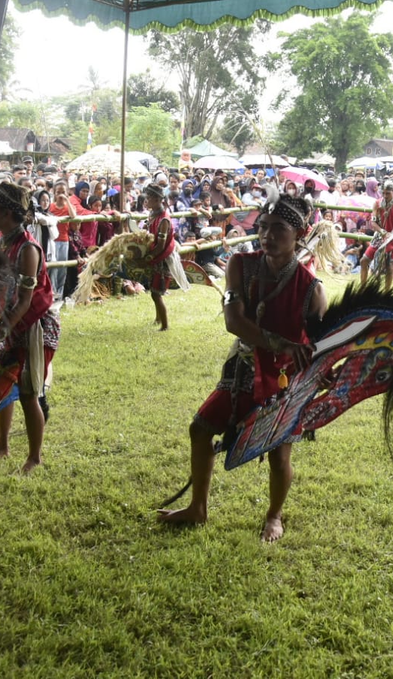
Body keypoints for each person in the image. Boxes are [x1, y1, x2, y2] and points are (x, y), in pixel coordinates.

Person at [158, 194, 326, 542]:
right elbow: (234, 322)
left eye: (279, 229)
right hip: (242, 370)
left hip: (283, 380)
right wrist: (281, 343)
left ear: (298, 234)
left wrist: (317, 365)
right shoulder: (240, 264)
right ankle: (198, 508)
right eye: (263, 227)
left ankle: (274, 516)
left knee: (280, 454)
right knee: (200, 428)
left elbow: (318, 345)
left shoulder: (311, 288)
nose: (267, 236)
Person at [0, 182, 61, 474]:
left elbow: (25, 302)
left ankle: (35, 457)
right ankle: (1, 445)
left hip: (36, 324)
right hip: (9, 321)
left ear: (9, 213)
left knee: (27, 391)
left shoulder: (27, 249)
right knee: (2, 381)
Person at [142, 183, 176, 331]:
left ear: (156, 200)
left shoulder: (163, 219)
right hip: (155, 257)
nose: (146, 201)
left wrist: (149, 257)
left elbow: (161, 246)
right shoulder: (153, 214)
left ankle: (165, 325)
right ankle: (158, 318)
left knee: (157, 294)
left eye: (148, 198)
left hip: (162, 259)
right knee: (153, 292)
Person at [360, 181, 393, 292]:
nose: (385, 196)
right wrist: (382, 232)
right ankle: (363, 289)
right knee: (364, 261)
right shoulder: (377, 203)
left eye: (388, 193)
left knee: (390, 267)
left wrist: (392, 237)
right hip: (379, 236)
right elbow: (373, 223)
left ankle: (387, 292)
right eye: (383, 193)